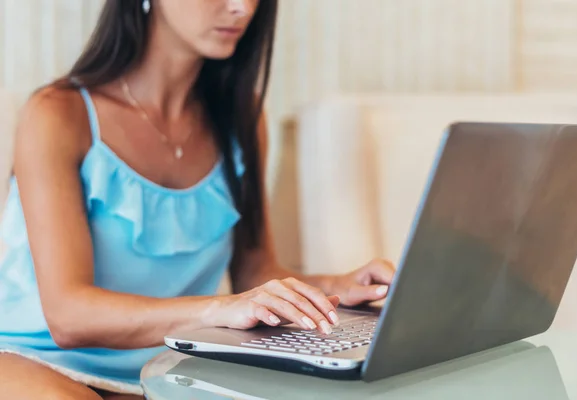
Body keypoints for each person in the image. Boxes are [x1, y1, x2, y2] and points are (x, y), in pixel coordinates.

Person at [0, 1, 394, 399]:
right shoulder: (57, 115)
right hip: (32, 359)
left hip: (166, 368)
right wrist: (218, 309)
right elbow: (68, 318)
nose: (242, 8)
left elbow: (255, 272)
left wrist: (337, 287)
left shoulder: (241, 119)